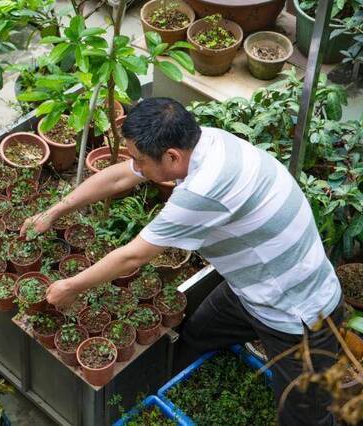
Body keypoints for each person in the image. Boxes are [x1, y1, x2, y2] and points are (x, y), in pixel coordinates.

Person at [20, 97, 343, 425]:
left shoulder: (202, 191)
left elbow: (133, 257)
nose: (138, 167)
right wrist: (55, 211)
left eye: (141, 160)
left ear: (171, 157)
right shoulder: (205, 142)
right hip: (250, 290)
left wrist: (71, 286)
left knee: (305, 417)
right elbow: (119, 177)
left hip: (299, 315)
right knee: (197, 334)